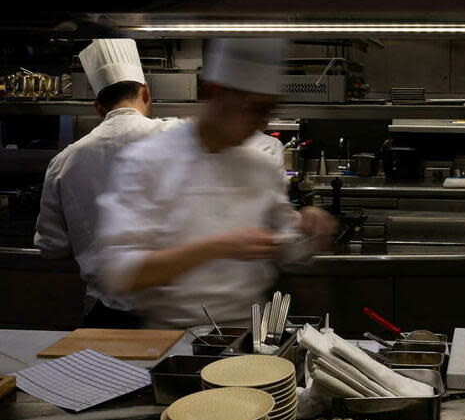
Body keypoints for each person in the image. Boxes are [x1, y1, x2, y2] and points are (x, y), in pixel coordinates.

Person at [96, 39, 336, 328]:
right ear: (216, 94)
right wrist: (217, 247)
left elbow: (287, 249)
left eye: (269, 110)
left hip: (249, 337)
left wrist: (308, 229)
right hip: (172, 339)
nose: (262, 123)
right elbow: (119, 273)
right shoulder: (147, 160)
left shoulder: (261, 165)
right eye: (255, 108)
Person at [34, 39, 181, 328]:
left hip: (108, 314)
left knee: (107, 375)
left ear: (98, 107)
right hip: (175, 313)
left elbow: (51, 247)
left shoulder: (65, 161)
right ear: (146, 92)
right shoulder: (179, 136)